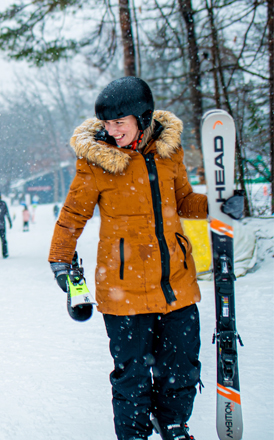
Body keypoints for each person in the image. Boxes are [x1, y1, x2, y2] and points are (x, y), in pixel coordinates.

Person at [48, 77, 245, 440]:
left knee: (183, 369)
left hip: (176, 285)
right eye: (107, 124)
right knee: (132, 376)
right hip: (124, 290)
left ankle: (173, 423)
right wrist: (60, 259)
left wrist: (220, 205)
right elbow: (73, 214)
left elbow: (184, 201)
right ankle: (134, 435)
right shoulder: (96, 161)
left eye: (119, 123)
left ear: (142, 117)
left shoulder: (168, 153)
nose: (111, 131)